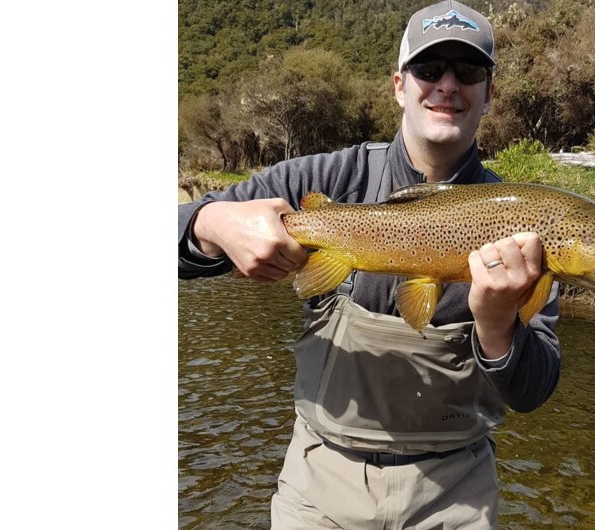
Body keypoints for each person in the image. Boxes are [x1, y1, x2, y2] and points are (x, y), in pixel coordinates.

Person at [178, 1, 561, 528]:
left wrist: (498, 328)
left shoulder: (527, 222)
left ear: (489, 93)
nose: (448, 85)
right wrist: (212, 222)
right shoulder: (327, 179)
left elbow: (534, 391)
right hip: (320, 486)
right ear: (399, 86)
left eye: (469, 71)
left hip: (456, 494)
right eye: (430, 69)